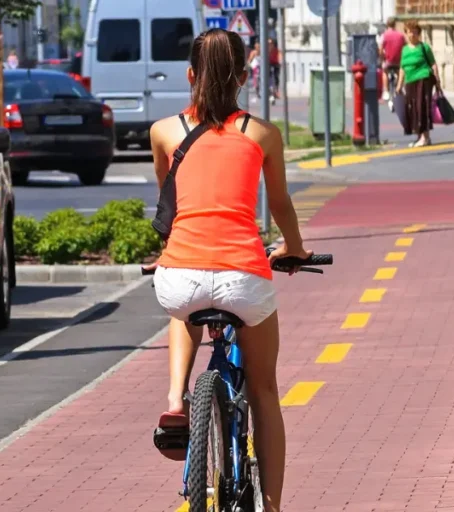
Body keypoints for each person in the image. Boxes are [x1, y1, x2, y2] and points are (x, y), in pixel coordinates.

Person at [145, 28, 311, 512]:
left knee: (182, 301)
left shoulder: (164, 131)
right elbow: (279, 203)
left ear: (189, 75)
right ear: (243, 77)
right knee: (263, 389)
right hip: (244, 276)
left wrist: (172, 252)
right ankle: (274, 506)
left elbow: (172, 205)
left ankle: (177, 399)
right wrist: (294, 248)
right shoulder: (262, 134)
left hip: (181, 275)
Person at [395, 21, 441, 147]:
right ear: (406, 33)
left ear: (419, 33)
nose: (412, 35)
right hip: (410, 81)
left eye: (415, 32)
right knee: (413, 109)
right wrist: (399, 84)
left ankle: (425, 137)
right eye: (410, 32)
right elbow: (402, 68)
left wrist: (437, 79)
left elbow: (433, 64)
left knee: (422, 107)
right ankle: (421, 137)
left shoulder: (424, 47)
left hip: (423, 79)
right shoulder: (404, 50)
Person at [380, 16, 405, 109]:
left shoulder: (385, 35)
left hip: (389, 61)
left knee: (385, 72)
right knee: (400, 73)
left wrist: (382, 59)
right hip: (398, 62)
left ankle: (386, 90)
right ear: (395, 25)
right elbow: (405, 46)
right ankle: (399, 87)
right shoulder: (401, 35)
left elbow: (380, 49)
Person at [268, 38, 281, 102]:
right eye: (268, 44)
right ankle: (269, 90)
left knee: (276, 77)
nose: (270, 45)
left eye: (271, 43)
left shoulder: (276, 50)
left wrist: (280, 61)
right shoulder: (266, 50)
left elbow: (280, 56)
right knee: (268, 78)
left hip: (275, 64)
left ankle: (276, 90)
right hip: (268, 65)